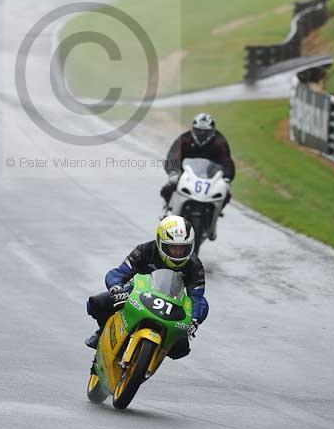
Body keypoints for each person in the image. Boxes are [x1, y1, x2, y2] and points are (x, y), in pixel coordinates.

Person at [85, 215, 209, 358]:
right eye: (173, 247)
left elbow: (198, 297)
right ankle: (102, 332)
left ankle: (155, 354)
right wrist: (116, 287)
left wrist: (195, 319)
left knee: (181, 349)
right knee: (97, 302)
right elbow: (119, 273)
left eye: (183, 248)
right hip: (137, 295)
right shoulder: (144, 250)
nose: (178, 252)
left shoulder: (195, 265)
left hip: (172, 306)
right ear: (160, 243)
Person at [160, 112, 235, 240]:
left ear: (212, 131)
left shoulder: (219, 142)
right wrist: (173, 172)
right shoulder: (185, 139)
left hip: (210, 177)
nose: (201, 134)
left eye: (205, 132)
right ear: (193, 129)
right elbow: (173, 156)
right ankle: (168, 209)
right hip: (186, 173)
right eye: (198, 131)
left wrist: (227, 178)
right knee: (169, 186)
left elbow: (227, 161)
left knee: (226, 193)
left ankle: (214, 217)